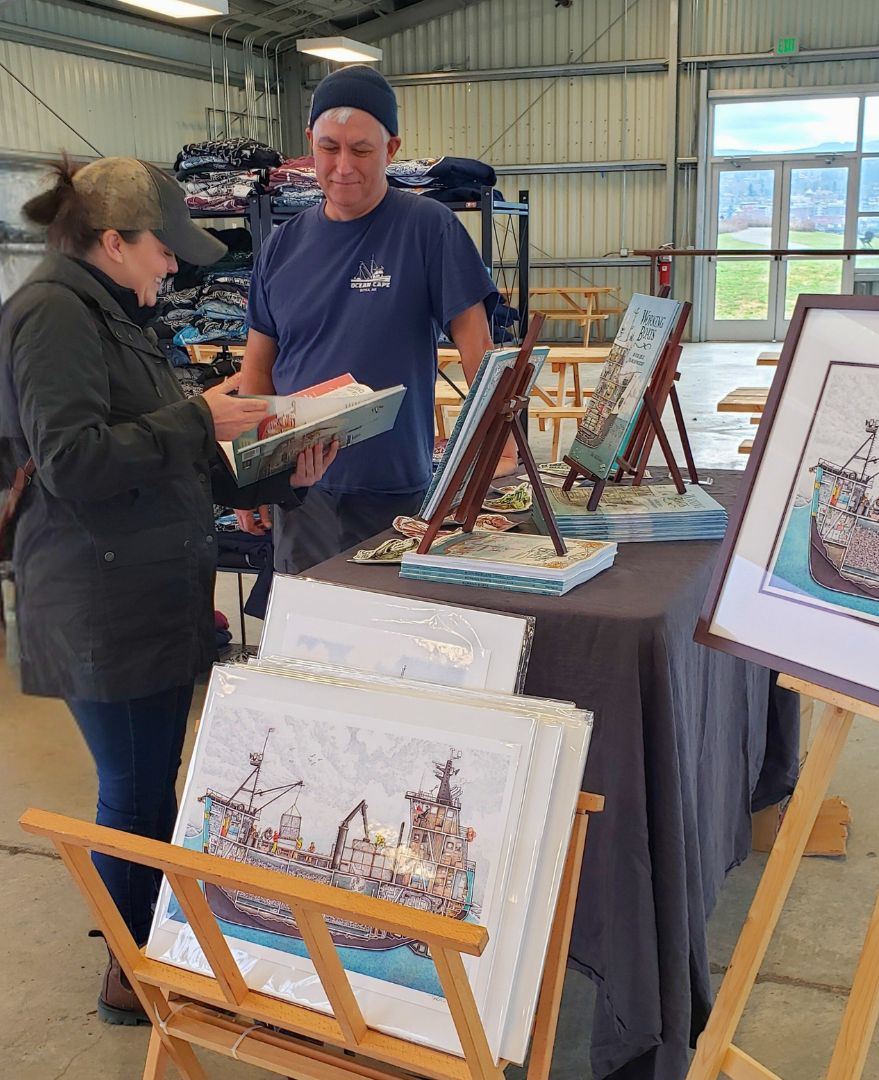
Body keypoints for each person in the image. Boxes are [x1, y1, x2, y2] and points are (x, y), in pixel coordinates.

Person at [0, 155, 337, 1026]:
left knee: (153, 785)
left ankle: (147, 952)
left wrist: (280, 477)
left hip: (138, 594)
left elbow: (168, 464)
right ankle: (131, 970)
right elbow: (74, 462)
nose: (175, 267)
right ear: (112, 242)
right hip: (99, 603)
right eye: (163, 250)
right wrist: (197, 417)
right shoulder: (52, 317)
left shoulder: (108, 314)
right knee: (135, 790)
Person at [237, 64, 503, 572]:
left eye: (361, 150)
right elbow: (257, 370)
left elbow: (478, 349)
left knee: (393, 638)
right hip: (299, 489)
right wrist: (252, 476)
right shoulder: (282, 245)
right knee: (309, 639)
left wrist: (496, 451)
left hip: (393, 491)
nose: (343, 166)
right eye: (328, 147)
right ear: (310, 142)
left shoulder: (429, 228)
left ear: (392, 149)